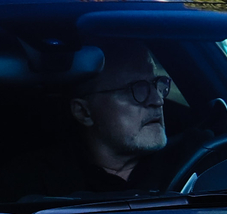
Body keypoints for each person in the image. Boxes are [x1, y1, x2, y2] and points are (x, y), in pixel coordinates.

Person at [62, 42, 174, 191]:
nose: (158, 100)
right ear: (84, 112)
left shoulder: (193, 154)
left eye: (156, 84)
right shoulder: (45, 183)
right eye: (136, 88)